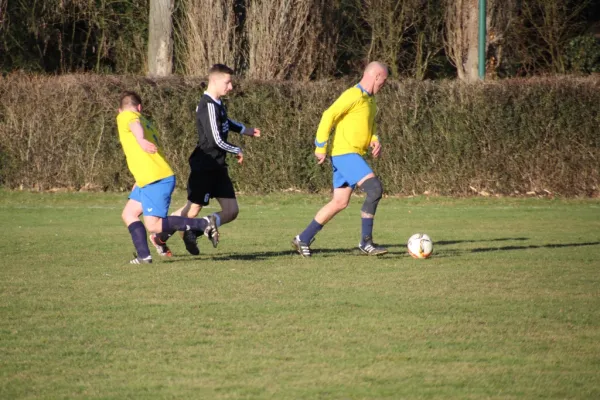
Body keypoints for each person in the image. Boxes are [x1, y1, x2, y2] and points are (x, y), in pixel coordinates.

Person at [151, 64, 261, 256]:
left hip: (218, 166)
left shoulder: (218, 104)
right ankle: (159, 235)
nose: (231, 87)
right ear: (215, 81)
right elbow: (215, 140)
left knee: (231, 211)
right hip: (205, 165)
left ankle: (194, 230)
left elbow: (226, 122)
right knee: (192, 210)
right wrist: (236, 149)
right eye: (227, 82)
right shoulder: (207, 105)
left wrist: (245, 130)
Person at [292, 61, 389, 257]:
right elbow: (329, 115)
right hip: (345, 154)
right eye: (384, 81)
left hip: (352, 155)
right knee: (374, 189)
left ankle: (303, 238)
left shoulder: (370, 100)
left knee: (339, 202)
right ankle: (366, 242)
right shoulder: (353, 95)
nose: (384, 85)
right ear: (377, 76)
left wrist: (374, 139)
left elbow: (367, 127)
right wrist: (320, 146)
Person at [116, 91, 218, 264]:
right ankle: (144, 256)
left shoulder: (127, 116)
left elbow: (134, 126)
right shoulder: (146, 122)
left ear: (121, 110)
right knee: (129, 214)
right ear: (140, 107)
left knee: (153, 226)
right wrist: (138, 180)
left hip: (155, 179)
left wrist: (140, 139)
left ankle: (203, 223)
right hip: (147, 179)